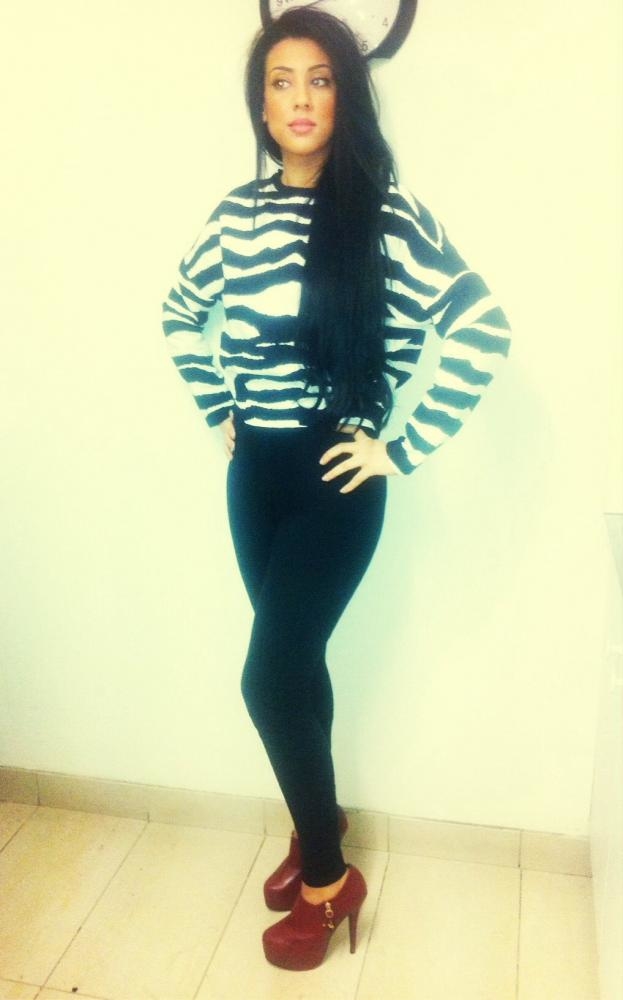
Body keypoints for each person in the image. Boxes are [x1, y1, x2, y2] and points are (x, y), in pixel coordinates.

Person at [162, 6, 511, 972]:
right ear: (260, 104)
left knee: (267, 677)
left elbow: (481, 327)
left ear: (345, 94)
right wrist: (217, 407)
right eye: (280, 81)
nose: (300, 98)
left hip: (334, 477)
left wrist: (401, 447)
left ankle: (328, 878)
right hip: (255, 477)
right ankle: (317, 819)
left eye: (319, 79)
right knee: (296, 666)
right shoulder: (235, 214)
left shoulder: (386, 214)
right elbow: (180, 311)